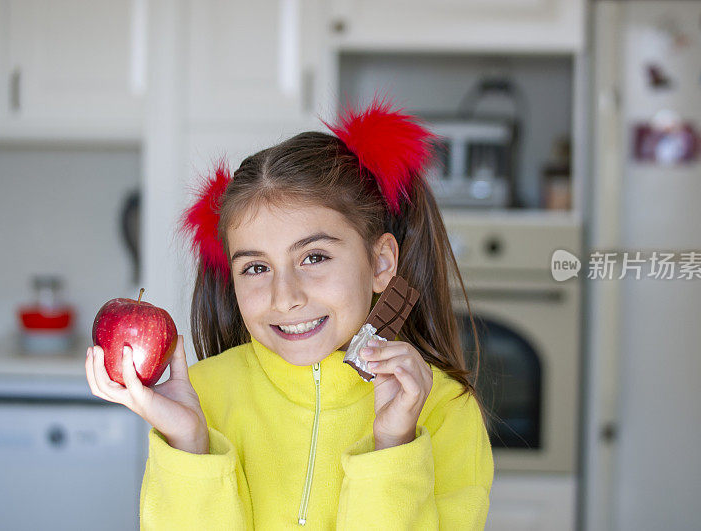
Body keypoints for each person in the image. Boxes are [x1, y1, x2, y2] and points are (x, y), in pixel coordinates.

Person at [84, 98, 495, 530]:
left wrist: (393, 445)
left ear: (380, 264)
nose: (285, 297)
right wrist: (190, 444)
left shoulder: (444, 409)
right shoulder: (199, 399)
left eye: (314, 257)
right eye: (257, 268)